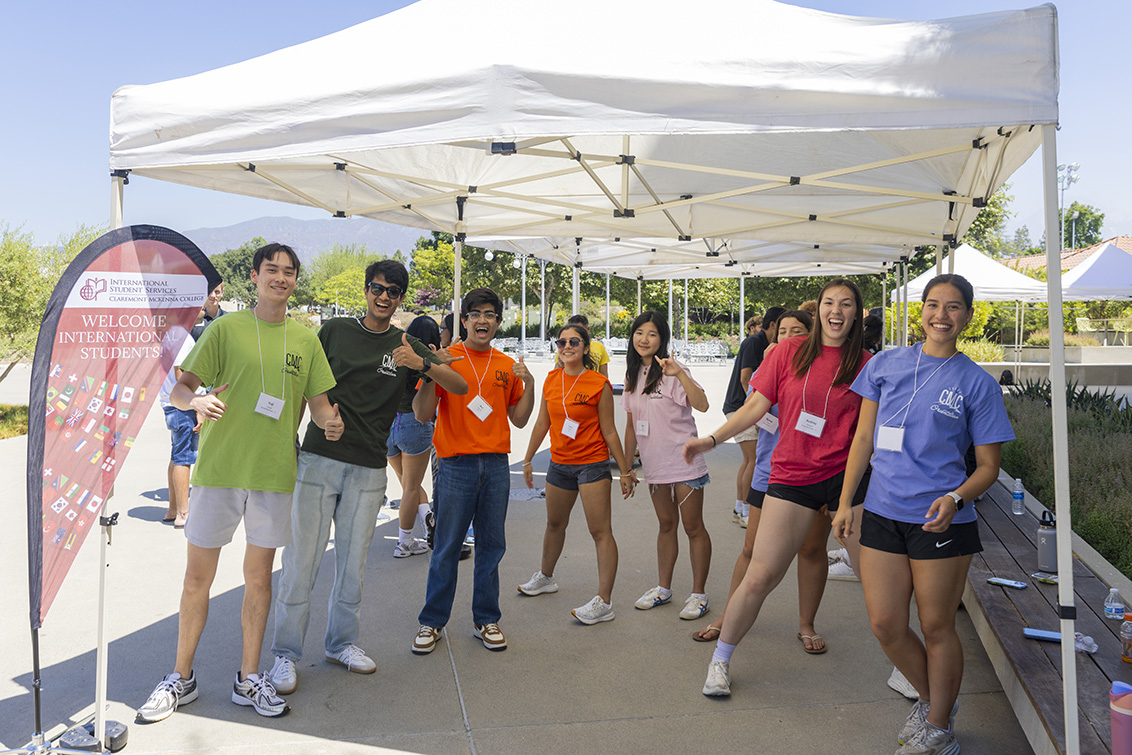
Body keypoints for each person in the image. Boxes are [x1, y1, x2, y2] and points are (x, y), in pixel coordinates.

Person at [137, 243, 342, 722]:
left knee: (258, 581)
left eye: (289, 272)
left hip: (274, 476)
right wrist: (197, 402)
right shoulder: (226, 328)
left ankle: (249, 677)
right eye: (272, 269)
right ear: (255, 276)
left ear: (295, 281)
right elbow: (181, 388)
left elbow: (320, 407)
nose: (281, 278)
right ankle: (180, 678)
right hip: (219, 473)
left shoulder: (306, 338)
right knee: (197, 579)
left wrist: (332, 423)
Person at [267, 261, 466, 696]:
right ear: (366, 289)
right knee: (302, 562)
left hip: (370, 467)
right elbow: (304, 387)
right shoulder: (335, 331)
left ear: (400, 299)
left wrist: (423, 364)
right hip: (319, 460)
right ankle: (285, 654)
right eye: (377, 287)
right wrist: (290, 443)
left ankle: (341, 643)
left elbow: (459, 386)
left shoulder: (407, 342)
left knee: (353, 565)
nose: (383, 296)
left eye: (393, 291)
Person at [833, 274, 1013, 755]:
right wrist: (848, 500)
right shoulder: (886, 365)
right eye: (933, 305)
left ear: (968, 316)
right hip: (883, 513)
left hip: (942, 520)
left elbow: (990, 467)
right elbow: (864, 440)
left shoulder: (977, 383)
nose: (941, 315)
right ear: (921, 311)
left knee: (936, 626)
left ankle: (938, 729)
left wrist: (955, 498)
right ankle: (938, 704)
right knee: (886, 624)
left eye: (953, 307)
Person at [684, 279, 872, 698]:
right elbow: (754, 406)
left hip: (847, 478)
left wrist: (846, 499)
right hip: (793, 474)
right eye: (828, 303)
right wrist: (710, 440)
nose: (836, 311)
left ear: (857, 313)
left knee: (876, 582)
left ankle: (906, 667)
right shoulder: (788, 352)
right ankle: (720, 660)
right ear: (818, 309)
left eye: (846, 304)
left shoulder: (867, 363)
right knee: (761, 574)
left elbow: (867, 434)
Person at [693, 310, 834, 654]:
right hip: (769, 474)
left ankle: (806, 624)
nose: (787, 337)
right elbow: (753, 410)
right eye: (782, 331)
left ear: (811, 335)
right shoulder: (766, 371)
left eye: (796, 331)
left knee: (812, 549)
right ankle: (728, 615)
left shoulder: (823, 374)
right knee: (751, 550)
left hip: (814, 475)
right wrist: (711, 440)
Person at [411, 288, 536, 654]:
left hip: (497, 465)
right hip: (456, 465)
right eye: (475, 314)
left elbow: (520, 417)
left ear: (498, 322)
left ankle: (486, 618)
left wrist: (529, 383)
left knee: (492, 546)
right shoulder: (446, 358)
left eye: (490, 315)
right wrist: (433, 370)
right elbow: (421, 413)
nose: (482, 320)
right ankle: (431, 622)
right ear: (463, 320)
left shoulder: (505, 364)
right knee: (447, 546)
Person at [520, 323, 637, 624]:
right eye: (561, 342)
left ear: (586, 348)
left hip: (592, 465)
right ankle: (546, 577)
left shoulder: (599, 384)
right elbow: (541, 423)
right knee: (554, 523)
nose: (567, 347)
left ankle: (604, 602)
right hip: (559, 464)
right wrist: (528, 459)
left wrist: (625, 470)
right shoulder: (551, 379)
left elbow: (610, 431)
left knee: (600, 532)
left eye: (574, 342)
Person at [620, 311, 712, 620]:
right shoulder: (632, 375)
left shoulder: (672, 371)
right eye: (639, 333)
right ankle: (663, 588)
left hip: (685, 463)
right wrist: (626, 467)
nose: (644, 339)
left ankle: (699, 595)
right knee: (666, 525)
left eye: (652, 334)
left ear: (663, 340)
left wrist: (680, 374)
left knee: (693, 527)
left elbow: (702, 404)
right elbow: (631, 426)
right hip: (654, 466)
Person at [388, 314, 448, 558]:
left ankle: (426, 516)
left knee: (406, 483)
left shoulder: (398, 354)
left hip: (389, 425)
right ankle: (404, 541)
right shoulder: (426, 363)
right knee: (410, 488)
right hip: (414, 424)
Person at [722, 307, 785, 527]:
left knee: (749, 460)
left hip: (747, 409)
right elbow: (746, 379)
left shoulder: (767, 345)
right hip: (741, 407)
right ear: (773, 325)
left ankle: (740, 507)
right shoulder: (754, 343)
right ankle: (747, 509)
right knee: (755, 460)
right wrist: (757, 412)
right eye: (783, 328)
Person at [158, 330, 200, 529]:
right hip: (182, 405)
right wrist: (195, 405)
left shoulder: (171, 334)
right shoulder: (180, 336)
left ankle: (173, 509)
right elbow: (180, 373)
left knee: (177, 456)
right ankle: (183, 513)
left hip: (172, 403)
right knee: (184, 457)